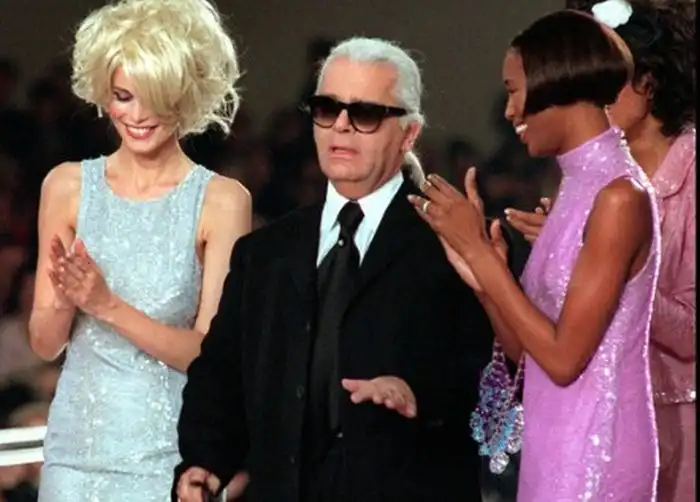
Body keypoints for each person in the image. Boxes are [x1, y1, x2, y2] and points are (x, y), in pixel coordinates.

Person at [173, 37, 506, 502]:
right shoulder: (265, 253)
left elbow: (497, 376)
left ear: (409, 134)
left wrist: (419, 394)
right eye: (327, 109)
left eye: (365, 114)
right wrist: (204, 463)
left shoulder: (451, 243)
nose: (342, 127)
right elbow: (221, 376)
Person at [410, 10, 661, 500]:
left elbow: (565, 360)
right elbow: (529, 355)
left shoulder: (620, 197)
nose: (509, 111)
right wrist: (484, 279)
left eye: (514, 90)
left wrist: (480, 253)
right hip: (553, 442)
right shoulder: (576, 185)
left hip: (598, 449)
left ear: (555, 82)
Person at [28, 0, 251, 500]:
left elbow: (210, 356)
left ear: (184, 96)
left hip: (168, 458)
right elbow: (44, 344)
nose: (138, 115)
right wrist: (67, 295)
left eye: (156, 98)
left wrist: (105, 304)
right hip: (73, 457)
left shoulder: (221, 201)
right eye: (124, 97)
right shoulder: (66, 186)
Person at [507, 2, 696, 500]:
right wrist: (583, 257)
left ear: (647, 83)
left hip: (679, 419)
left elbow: (691, 331)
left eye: (609, 73)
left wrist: (611, 265)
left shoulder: (672, 180)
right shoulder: (588, 176)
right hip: (586, 413)